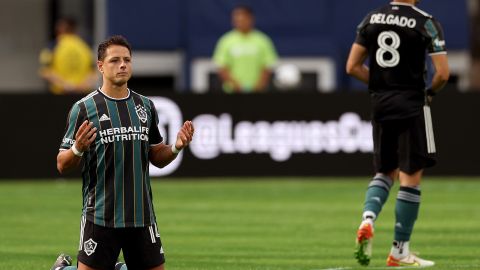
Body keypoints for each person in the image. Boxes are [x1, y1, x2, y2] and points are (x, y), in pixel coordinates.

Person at [52, 35, 195, 270]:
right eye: (115, 60)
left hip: (141, 216)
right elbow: (61, 164)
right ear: (100, 66)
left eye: (127, 60)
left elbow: (157, 156)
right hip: (101, 216)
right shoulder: (84, 109)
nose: (122, 65)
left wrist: (176, 146)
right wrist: (77, 148)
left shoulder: (145, 106)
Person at [346, 0, 449, 267]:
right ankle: (400, 249)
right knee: (410, 176)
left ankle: (368, 218)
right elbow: (442, 75)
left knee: (384, 171)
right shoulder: (425, 21)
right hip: (412, 103)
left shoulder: (371, 19)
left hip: (381, 103)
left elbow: (352, 67)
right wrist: (429, 93)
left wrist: (384, 85)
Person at [213, 5, 278, 93]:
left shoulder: (262, 40)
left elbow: (268, 65)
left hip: (258, 91)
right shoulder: (226, 41)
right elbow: (222, 67)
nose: (239, 22)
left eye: (242, 19)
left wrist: (258, 86)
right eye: (236, 19)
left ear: (251, 19)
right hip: (233, 92)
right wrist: (237, 86)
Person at [39, 17, 97, 94]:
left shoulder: (53, 46)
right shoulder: (86, 46)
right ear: (75, 29)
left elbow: (45, 71)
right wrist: (81, 86)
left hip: (60, 94)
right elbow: (95, 72)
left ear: (59, 29)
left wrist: (66, 86)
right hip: (82, 95)